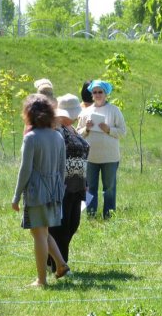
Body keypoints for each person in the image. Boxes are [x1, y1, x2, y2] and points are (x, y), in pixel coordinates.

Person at [11, 94, 70, 287]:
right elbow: (62, 169)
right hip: (54, 191)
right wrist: (59, 192)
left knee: (38, 234)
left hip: (37, 192)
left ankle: (42, 280)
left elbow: (25, 170)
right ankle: (61, 265)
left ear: (29, 113)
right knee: (42, 232)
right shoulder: (58, 136)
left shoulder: (31, 138)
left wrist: (16, 195)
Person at [47, 94, 90, 273]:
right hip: (62, 185)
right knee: (61, 227)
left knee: (73, 224)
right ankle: (60, 265)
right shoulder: (56, 128)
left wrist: (85, 180)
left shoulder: (71, 128)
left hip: (77, 184)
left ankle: (53, 261)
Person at [77, 80, 126, 219]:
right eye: (95, 92)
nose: (97, 95)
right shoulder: (86, 111)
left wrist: (108, 129)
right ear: (91, 94)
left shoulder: (114, 110)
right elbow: (77, 133)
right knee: (90, 189)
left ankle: (109, 215)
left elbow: (123, 132)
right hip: (91, 157)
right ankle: (91, 215)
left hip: (110, 157)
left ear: (106, 94)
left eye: (100, 92)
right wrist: (86, 128)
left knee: (109, 188)